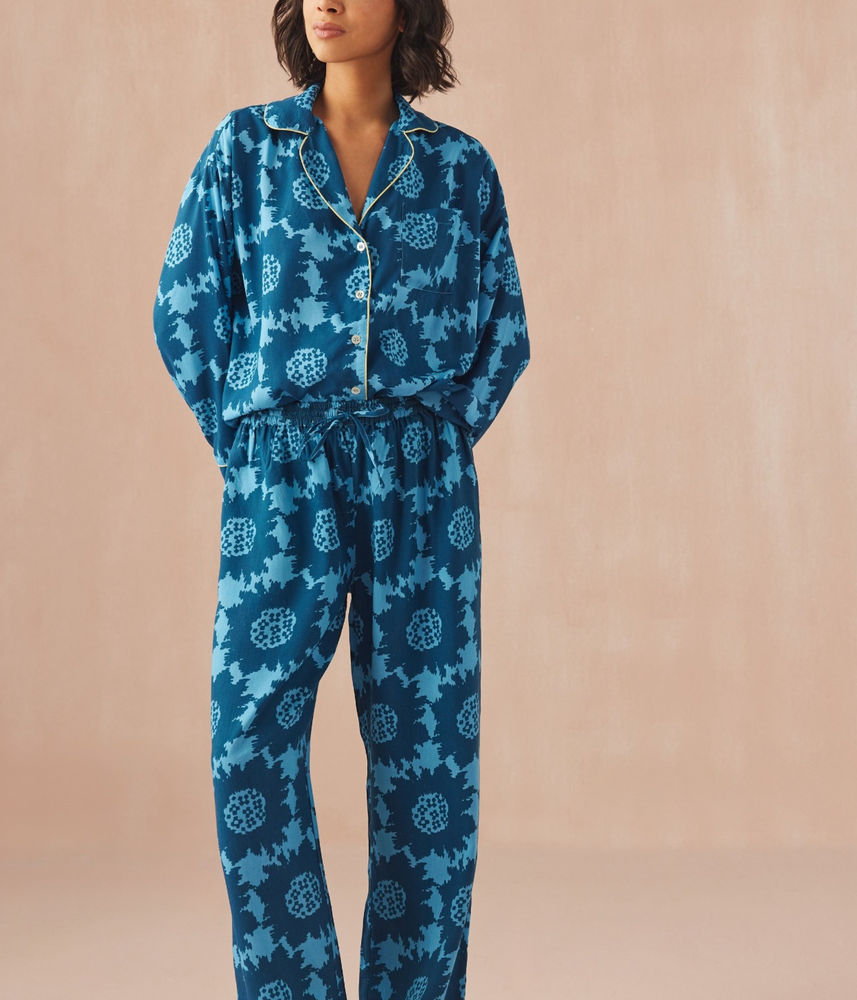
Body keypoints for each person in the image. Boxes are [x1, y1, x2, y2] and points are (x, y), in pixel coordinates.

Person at [152, 1, 529, 997]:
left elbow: (504, 331)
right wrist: (249, 445)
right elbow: (183, 307)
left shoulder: (459, 169)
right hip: (281, 479)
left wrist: (434, 442)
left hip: (421, 488)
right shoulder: (245, 150)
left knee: (426, 766)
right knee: (249, 745)